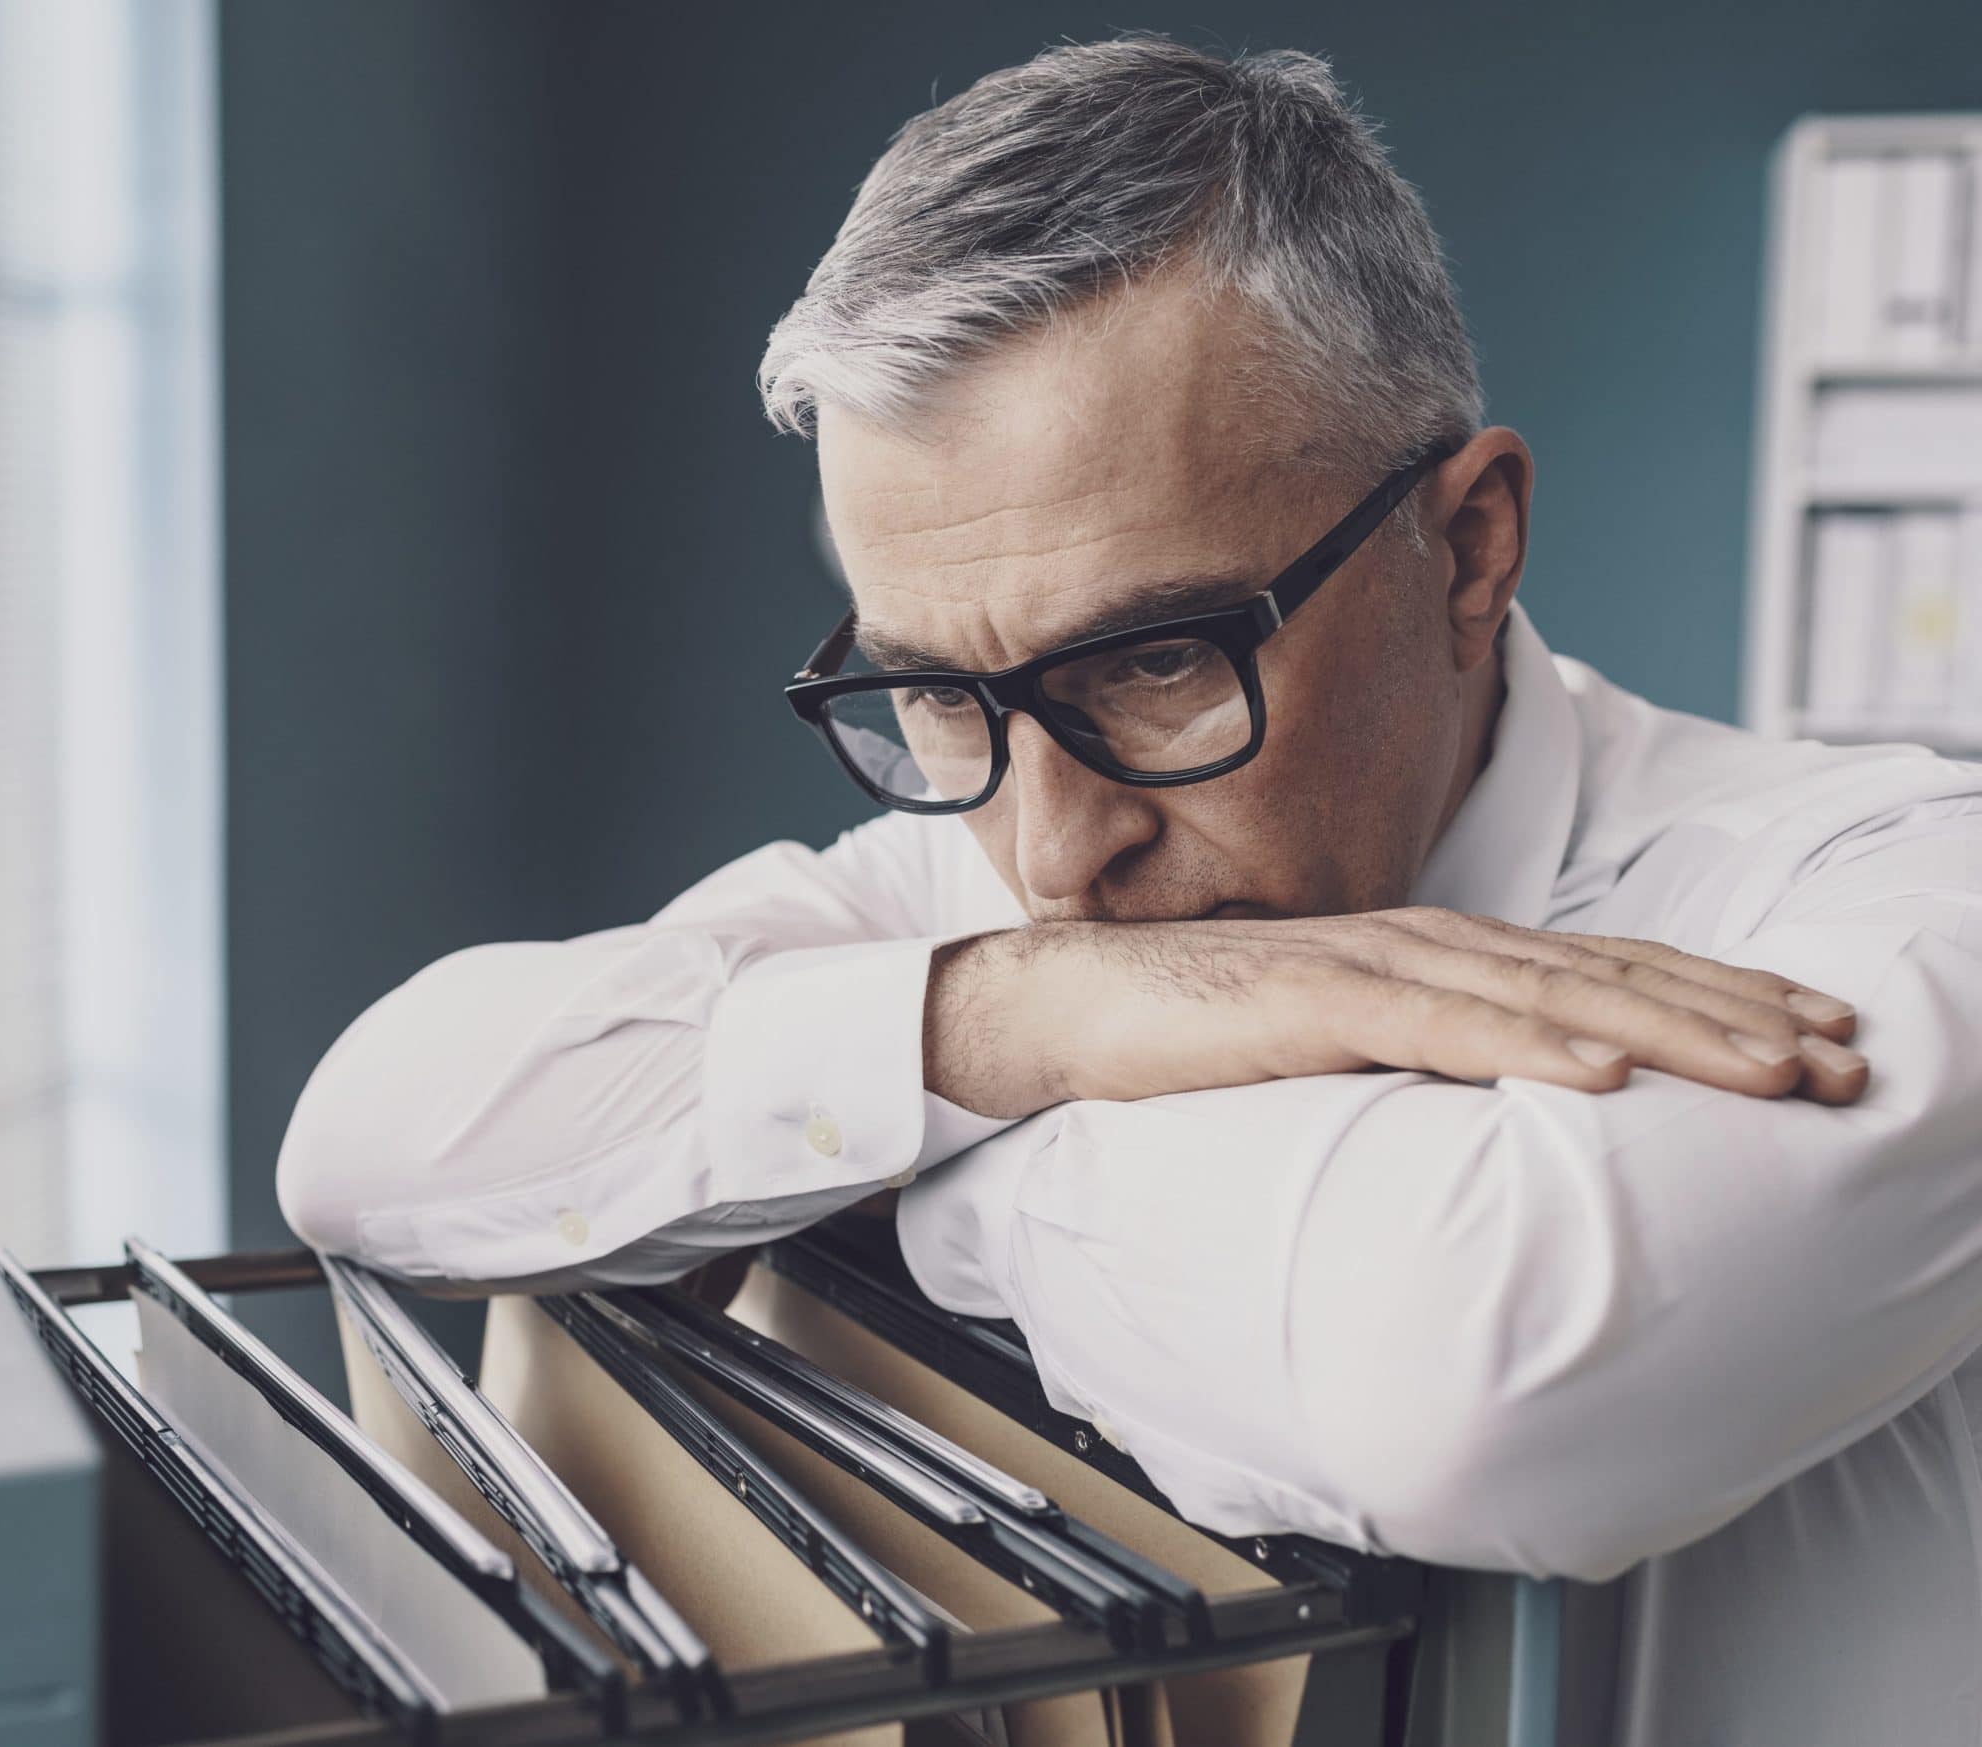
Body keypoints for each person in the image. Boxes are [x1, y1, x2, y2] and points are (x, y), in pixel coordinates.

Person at [279, 36, 1982, 1746]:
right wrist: (1027, 1012)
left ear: (1466, 546)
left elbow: (1456, 1403)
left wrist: (913, 1164)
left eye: (1158, 657)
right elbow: (371, 1142)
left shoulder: (1902, 895)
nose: (1049, 852)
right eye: (937, 692)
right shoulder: (990, 895)